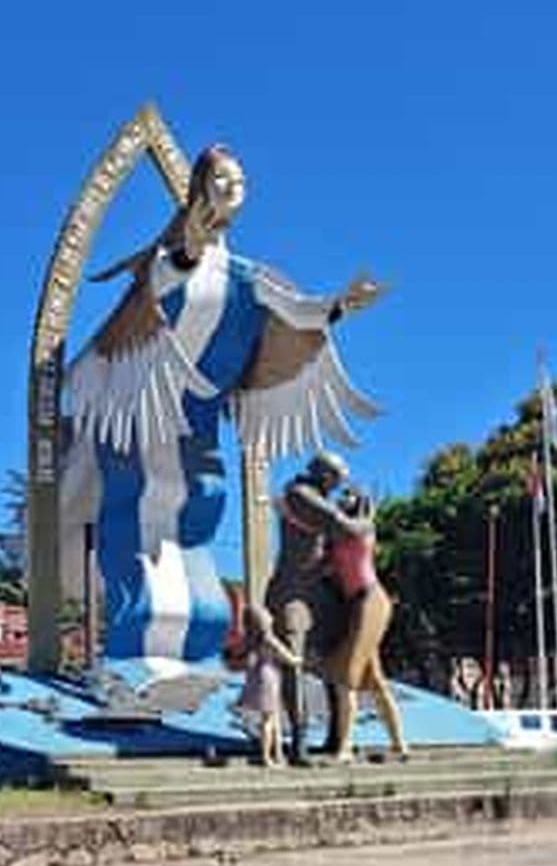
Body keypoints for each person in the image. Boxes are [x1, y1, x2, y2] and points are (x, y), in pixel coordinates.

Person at [65, 145, 381, 664]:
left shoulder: (246, 276)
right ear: (200, 187)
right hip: (143, 417)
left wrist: (341, 305)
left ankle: (193, 659)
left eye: (241, 180)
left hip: (198, 427)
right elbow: (168, 277)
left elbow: (299, 312)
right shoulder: (172, 260)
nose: (235, 188)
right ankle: (132, 659)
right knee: (141, 528)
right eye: (223, 179)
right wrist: (192, 242)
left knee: (203, 533)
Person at [265, 451, 370, 763]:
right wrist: (366, 517)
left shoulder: (318, 497)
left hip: (318, 592)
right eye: (337, 479)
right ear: (326, 475)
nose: (340, 486)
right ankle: (299, 741)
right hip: (291, 591)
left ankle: (337, 737)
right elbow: (345, 528)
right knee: (293, 663)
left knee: (333, 660)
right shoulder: (299, 494)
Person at [323, 486, 408, 762]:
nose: (343, 498)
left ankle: (345, 748)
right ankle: (400, 745)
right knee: (375, 680)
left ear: (360, 502)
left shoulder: (361, 526)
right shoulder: (337, 535)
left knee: (345, 675)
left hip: (371, 601)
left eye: (349, 495)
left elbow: (335, 521)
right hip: (356, 605)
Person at [237, 604, 299, 767]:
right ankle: (266, 757)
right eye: (267, 614)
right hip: (269, 679)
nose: (271, 616)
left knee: (274, 716)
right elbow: (288, 657)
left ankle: (278, 753)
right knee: (269, 719)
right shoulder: (269, 638)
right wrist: (299, 659)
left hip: (257, 677)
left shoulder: (250, 639)